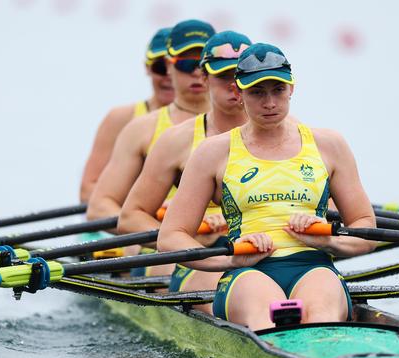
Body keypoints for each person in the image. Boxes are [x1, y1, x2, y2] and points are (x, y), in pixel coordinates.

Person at [157, 43, 376, 330]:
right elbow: (170, 238)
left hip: (314, 265)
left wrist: (329, 242)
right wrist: (231, 259)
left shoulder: (329, 145)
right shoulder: (213, 152)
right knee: (266, 320)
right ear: (239, 93)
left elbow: (366, 228)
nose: (269, 102)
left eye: (278, 90)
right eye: (257, 92)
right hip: (247, 271)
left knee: (322, 317)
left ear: (292, 88)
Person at [118, 31, 252, 311]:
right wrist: (186, 239)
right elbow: (130, 217)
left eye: (243, 76)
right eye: (224, 76)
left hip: (263, 253)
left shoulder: (295, 137)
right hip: (199, 257)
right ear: (206, 79)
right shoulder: (176, 140)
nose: (235, 85)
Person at [86, 19, 215, 272]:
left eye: (204, 65)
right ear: (169, 67)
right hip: (160, 242)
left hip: (228, 240)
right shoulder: (141, 127)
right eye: (187, 64)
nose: (197, 73)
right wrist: (173, 236)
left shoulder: (252, 126)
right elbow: (99, 206)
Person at [80, 28, 173, 204]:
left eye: (182, 67)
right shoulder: (121, 118)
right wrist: (148, 209)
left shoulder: (219, 118)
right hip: (142, 222)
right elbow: (87, 191)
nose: (169, 76)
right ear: (147, 68)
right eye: (161, 67)